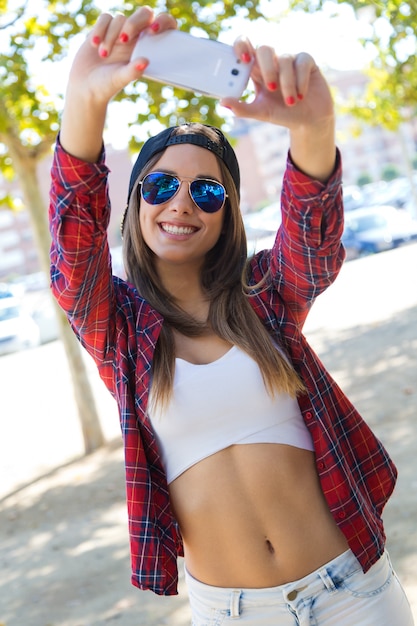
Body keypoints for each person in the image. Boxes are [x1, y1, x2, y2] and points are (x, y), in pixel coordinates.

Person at [48, 5, 414, 626]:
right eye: (160, 186)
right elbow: (73, 245)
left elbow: (314, 244)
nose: (182, 202)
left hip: (352, 591)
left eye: (208, 189)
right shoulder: (120, 328)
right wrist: (84, 101)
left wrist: (315, 127)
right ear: (135, 203)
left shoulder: (266, 294)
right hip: (234, 613)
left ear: (229, 213)